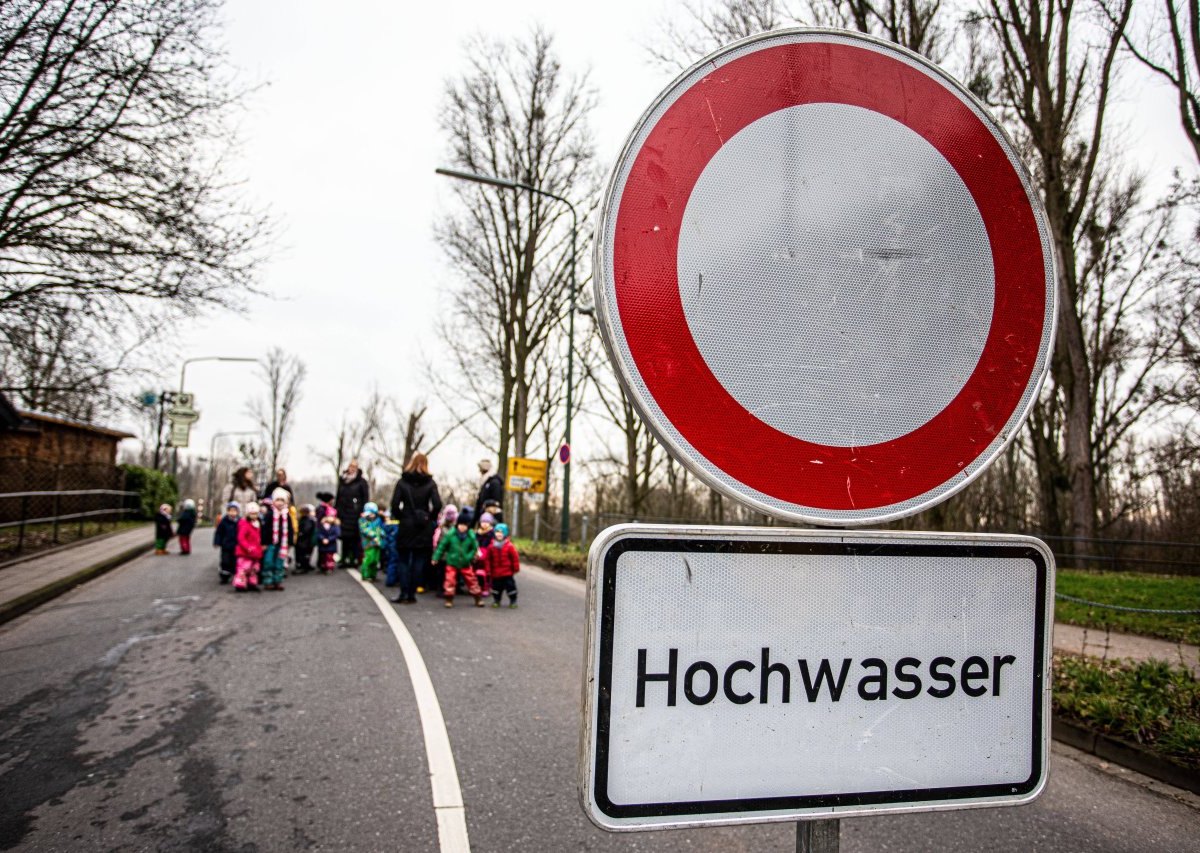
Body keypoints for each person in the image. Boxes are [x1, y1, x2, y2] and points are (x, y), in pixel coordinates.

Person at [389, 452, 443, 604]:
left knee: (404, 559)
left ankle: (403, 592)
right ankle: (412, 593)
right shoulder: (430, 483)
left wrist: (402, 517)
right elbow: (437, 504)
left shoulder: (402, 482)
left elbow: (394, 504)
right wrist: (430, 518)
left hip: (406, 524)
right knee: (419, 561)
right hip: (423, 525)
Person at [431, 511, 484, 608]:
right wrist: (436, 557)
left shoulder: (471, 536)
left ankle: (477, 597)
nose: (462, 527)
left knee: (472, 580)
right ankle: (449, 598)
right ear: (457, 524)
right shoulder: (451, 534)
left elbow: (474, 548)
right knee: (450, 581)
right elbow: (442, 547)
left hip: (465, 562)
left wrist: (470, 556)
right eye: (460, 524)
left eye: (465, 525)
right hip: (452, 562)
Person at [335, 460, 369, 567]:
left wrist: (363, 511)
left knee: (355, 538)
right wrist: (337, 511)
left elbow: (365, 497)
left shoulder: (361, 482)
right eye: (351, 466)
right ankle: (344, 558)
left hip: (356, 513)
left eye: (354, 466)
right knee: (345, 537)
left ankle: (354, 558)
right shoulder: (343, 480)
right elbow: (338, 496)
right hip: (344, 513)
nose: (352, 468)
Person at [260, 489, 294, 591]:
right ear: (273, 501)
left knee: (279, 563)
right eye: (277, 500)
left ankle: (277, 581)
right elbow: (264, 530)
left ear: (285, 502)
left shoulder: (286, 515)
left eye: (282, 500)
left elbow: (290, 529)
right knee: (269, 561)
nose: (279, 502)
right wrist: (264, 543)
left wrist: (290, 542)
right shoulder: (270, 514)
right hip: (271, 543)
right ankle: (268, 581)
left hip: (282, 544)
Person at [487, 523, 520, 608]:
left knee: (511, 587)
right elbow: (488, 559)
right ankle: (496, 600)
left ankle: (513, 600)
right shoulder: (491, 546)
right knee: (496, 588)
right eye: (497, 532)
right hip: (496, 573)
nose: (499, 534)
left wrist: (515, 568)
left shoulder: (509, 546)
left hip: (507, 572)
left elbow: (515, 558)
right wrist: (488, 570)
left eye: (501, 532)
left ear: (505, 534)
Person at [234, 501, 264, 591]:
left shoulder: (257, 524)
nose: (254, 516)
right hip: (245, 552)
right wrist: (247, 547)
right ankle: (240, 584)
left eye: (255, 514)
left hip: (255, 552)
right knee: (243, 569)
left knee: (254, 569)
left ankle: (252, 583)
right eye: (252, 514)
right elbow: (241, 538)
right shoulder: (245, 525)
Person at [430, 504, 457, 594]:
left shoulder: (456, 528)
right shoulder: (441, 529)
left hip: (451, 555)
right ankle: (441, 588)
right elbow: (437, 544)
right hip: (443, 555)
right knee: (441, 573)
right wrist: (436, 556)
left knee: (450, 574)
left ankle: (448, 588)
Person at [212, 501, 240, 584]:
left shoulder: (240, 521)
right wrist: (217, 542)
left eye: (234, 511)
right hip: (226, 546)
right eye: (230, 511)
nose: (232, 513)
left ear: (237, 512)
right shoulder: (224, 521)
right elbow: (219, 532)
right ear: (227, 511)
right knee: (225, 561)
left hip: (236, 546)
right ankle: (224, 576)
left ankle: (235, 575)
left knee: (235, 561)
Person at [358, 501, 384, 582]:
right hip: (368, 543)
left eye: (372, 513)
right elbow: (364, 530)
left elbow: (380, 529)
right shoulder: (363, 520)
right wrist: (373, 535)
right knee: (369, 558)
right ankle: (365, 574)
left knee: (375, 560)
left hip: (377, 543)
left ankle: (373, 575)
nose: (371, 515)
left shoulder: (378, 520)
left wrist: (382, 533)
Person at [473, 459, 504, 525]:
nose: (479, 471)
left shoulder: (494, 482)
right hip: (483, 517)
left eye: (481, 469)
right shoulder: (485, 483)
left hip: (491, 519)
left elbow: (497, 502)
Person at [473, 511, 496, 597]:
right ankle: (477, 586)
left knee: (487, 572)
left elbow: (492, 544)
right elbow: (474, 542)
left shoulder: (492, 533)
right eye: (483, 522)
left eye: (487, 522)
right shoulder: (477, 533)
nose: (484, 524)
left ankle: (486, 587)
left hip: (487, 555)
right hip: (478, 554)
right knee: (477, 571)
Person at [316, 510, 340, 574]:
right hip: (323, 545)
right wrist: (322, 539)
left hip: (331, 545)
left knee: (329, 557)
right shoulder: (322, 525)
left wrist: (329, 539)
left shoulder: (335, 526)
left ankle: (329, 568)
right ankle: (323, 567)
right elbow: (318, 533)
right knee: (323, 557)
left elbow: (336, 534)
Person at [295, 504, 316, 574]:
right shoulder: (310, 519)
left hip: (304, 541)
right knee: (306, 554)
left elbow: (306, 530)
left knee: (303, 554)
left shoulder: (306, 520)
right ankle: (305, 566)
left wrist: (300, 534)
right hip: (307, 541)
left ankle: (303, 567)